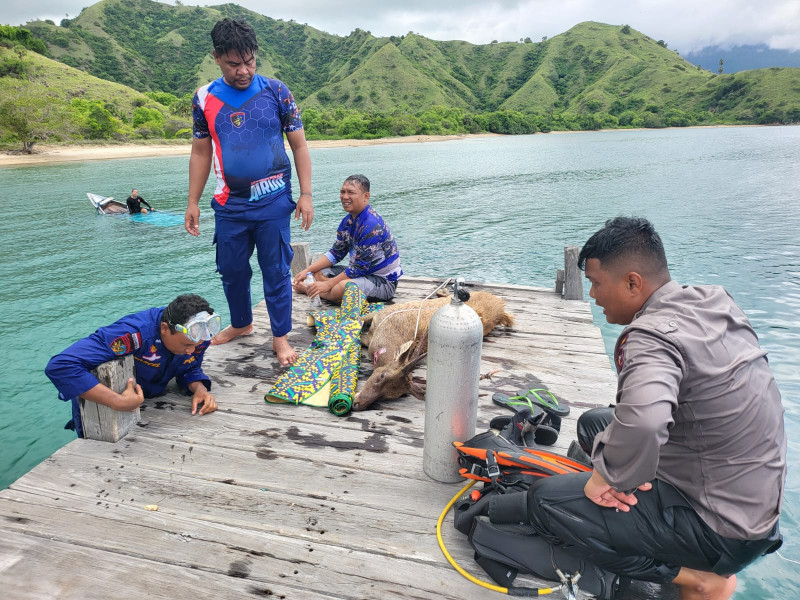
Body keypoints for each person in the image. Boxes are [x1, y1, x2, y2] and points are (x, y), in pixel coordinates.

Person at [526, 217, 785, 600]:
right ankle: (642, 500)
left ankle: (698, 579)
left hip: (721, 529)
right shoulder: (714, 301)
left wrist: (607, 480)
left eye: (597, 283)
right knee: (594, 425)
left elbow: (646, 423)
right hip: (753, 504)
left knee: (544, 503)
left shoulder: (651, 337)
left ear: (633, 282)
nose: (594, 295)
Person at [185, 18, 313, 365]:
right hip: (230, 204)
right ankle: (241, 323)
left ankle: (280, 337)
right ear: (216, 57)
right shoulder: (204, 98)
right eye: (233, 63)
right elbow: (201, 151)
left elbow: (299, 146)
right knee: (232, 269)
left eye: (249, 61)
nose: (243, 70)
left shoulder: (276, 90)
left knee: (275, 270)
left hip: (273, 202)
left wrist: (306, 194)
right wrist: (192, 202)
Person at [45, 294, 220, 438]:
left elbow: (189, 367)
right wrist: (116, 401)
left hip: (149, 409)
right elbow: (61, 366)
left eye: (196, 346)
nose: (192, 351)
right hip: (104, 411)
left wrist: (199, 388)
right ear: (165, 329)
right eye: (186, 346)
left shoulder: (197, 338)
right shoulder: (133, 334)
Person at [292, 175, 402, 303]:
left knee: (345, 287)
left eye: (351, 192)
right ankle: (331, 291)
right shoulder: (347, 221)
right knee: (318, 272)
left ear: (366, 196)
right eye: (342, 192)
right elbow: (336, 253)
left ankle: (311, 290)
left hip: (383, 282)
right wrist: (307, 270)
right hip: (359, 274)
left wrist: (328, 284)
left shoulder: (372, 226)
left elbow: (359, 267)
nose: (344, 197)